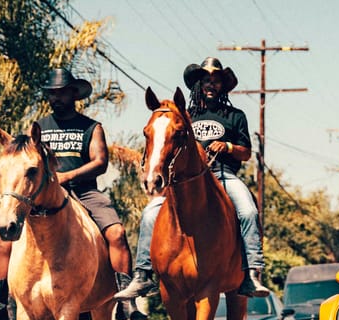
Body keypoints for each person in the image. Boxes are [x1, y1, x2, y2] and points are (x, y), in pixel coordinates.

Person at [0, 68, 147, 320]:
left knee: (116, 232)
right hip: (41, 195)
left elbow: (100, 162)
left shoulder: (91, 127)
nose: (56, 98)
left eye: (62, 93)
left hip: (84, 191)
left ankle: (126, 299)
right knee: (3, 239)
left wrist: (68, 176)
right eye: (52, 94)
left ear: (73, 94)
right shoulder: (37, 128)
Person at [115, 57, 269, 302]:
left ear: (223, 86)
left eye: (216, 81)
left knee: (248, 211)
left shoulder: (234, 115)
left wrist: (228, 146)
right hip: (186, 182)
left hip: (223, 175)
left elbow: (247, 152)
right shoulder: (185, 116)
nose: (211, 84)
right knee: (149, 214)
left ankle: (252, 273)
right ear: (197, 84)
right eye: (206, 80)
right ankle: (143, 275)